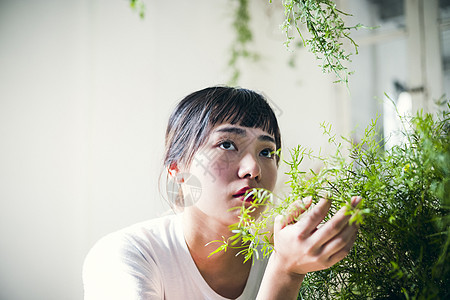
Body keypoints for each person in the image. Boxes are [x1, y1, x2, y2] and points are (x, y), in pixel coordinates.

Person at [82, 86, 361, 299]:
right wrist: (285, 274)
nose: (253, 169)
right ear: (178, 170)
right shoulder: (129, 255)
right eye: (227, 145)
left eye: (266, 151)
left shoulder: (295, 255)